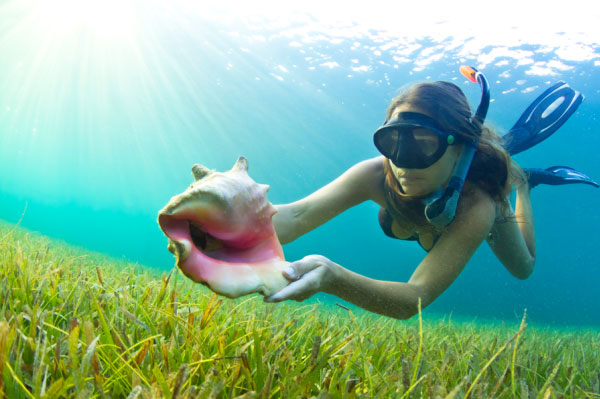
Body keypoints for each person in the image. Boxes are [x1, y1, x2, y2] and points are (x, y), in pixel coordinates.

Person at [264, 67, 597, 320]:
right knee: (405, 224)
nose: (404, 162)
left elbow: (415, 297)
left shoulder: (478, 204)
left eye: (424, 144)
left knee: (523, 268)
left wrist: (333, 277)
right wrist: (223, 210)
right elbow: (295, 217)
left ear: (459, 148)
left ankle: (524, 183)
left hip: (477, 196)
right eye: (393, 142)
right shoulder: (376, 172)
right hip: (416, 220)